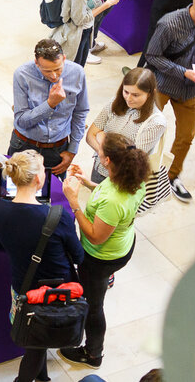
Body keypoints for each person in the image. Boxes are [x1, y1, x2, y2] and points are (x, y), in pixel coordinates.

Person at [0, 150, 83, 382]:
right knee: (37, 345)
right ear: (39, 180)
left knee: (37, 336)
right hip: (54, 292)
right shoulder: (57, 216)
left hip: (23, 285)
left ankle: (43, 377)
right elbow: (79, 256)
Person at [60, 134, 150, 369]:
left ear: (107, 160)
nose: (97, 153)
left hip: (101, 257)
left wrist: (74, 202)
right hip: (123, 244)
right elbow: (107, 191)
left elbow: (95, 237)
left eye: (99, 151)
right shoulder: (132, 178)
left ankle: (92, 353)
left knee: (93, 305)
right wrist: (87, 183)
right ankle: (104, 280)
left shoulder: (113, 201)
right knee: (96, 290)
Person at [143, 0, 195, 202]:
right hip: (163, 85)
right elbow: (152, 56)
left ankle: (171, 177)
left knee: (186, 136)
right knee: (148, 131)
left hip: (191, 90)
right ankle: (139, 174)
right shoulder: (170, 23)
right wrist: (184, 72)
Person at [9, 38, 89, 175]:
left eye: (58, 69)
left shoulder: (77, 73)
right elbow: (21, 120)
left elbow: (80, 112)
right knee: (14, 191)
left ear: (64, 58)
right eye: (46, 71)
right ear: (37, 64)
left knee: (53, 194)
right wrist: (50, 104)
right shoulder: (22, 74)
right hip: (25, 145)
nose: (53, 76)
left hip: (58, 148)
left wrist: (72, 150)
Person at [87, 67, 167, 183]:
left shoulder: (156, 122)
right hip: (99, 169)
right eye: (126, 92)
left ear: (150, 94)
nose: (128, 99)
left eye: (135, 95)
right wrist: (102, 151)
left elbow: (130, 159)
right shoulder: (115, 102)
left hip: (124, 180)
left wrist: (102, 137)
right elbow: (90, 135)